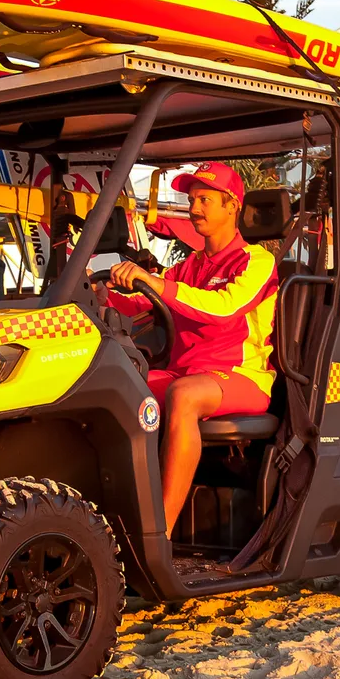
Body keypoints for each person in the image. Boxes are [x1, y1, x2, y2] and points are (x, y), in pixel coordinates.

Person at [107, 162, 278, 536]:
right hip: (188, 372)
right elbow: (141, 301)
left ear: (231, 205)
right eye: (191, 199)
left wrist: (151, 281)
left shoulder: (256, 261)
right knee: (118, 388)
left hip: (241, 378)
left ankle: (160, 534)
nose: (193, 208)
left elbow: (224, 308)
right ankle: (109, 518)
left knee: (182, 394)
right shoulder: (188, 267)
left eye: (204, 199)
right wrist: (101, 291)